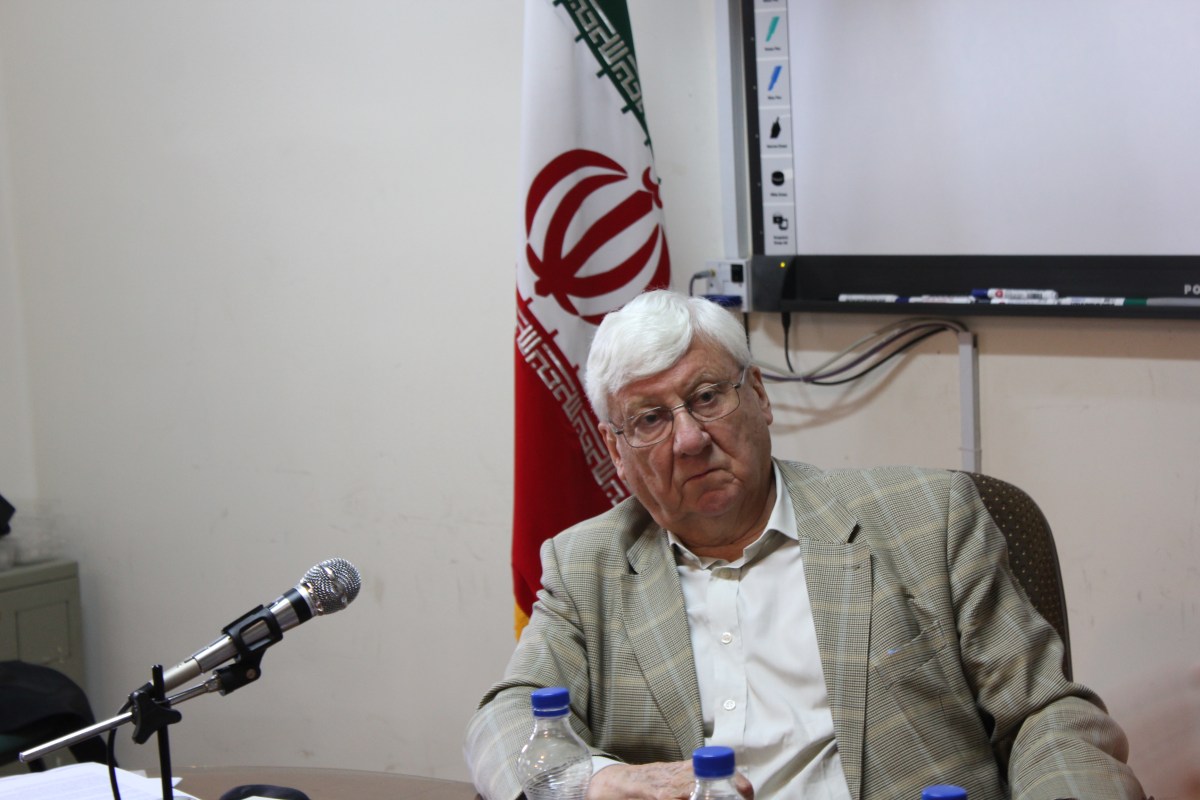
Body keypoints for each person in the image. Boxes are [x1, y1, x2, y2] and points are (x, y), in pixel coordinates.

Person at [465, 290, 1145, 800]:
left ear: (758, 396)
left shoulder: (927, 519)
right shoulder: (586, 565)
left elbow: (1047, 714)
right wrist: (591, 782)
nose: (690, 439)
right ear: (615, 452)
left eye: (707, 397)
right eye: (649, 419)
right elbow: (505, 717)